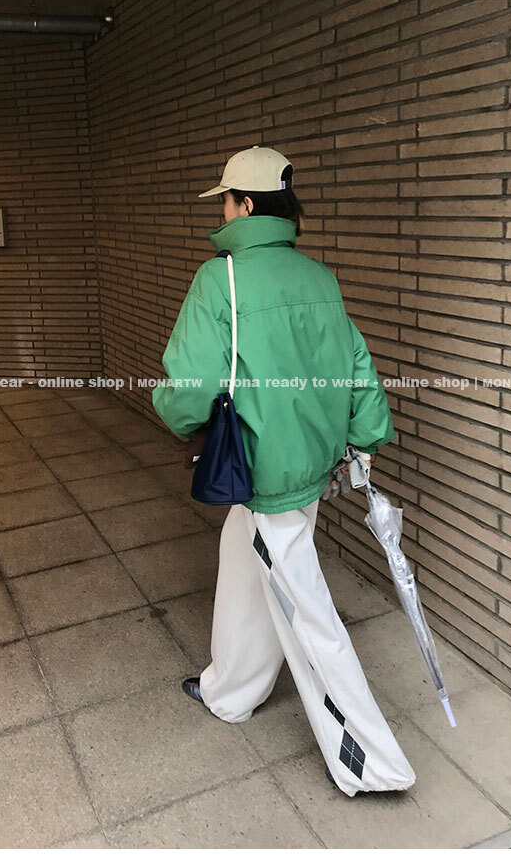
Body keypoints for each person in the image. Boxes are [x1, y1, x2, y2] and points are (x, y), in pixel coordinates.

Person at [152, 146, 416, 796]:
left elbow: (189, 386)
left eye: (225, 200)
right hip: (309, 463)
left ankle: (371, 761)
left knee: (307, 609)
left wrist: (176, 415)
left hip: (264, 469)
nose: (221, 210)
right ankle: (231, 690)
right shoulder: (319, 276)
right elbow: (358, 364)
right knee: (245, 562)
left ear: (244, 205)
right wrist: (365, 437)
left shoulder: (220, 279)